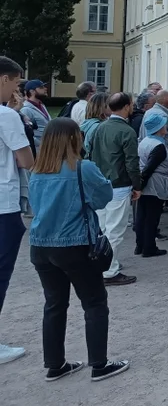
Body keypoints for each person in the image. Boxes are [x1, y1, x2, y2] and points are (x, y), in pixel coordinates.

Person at [27, 118, 130, 381]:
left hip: (41, 244)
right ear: (74, 139)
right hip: (74, 244)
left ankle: (55, 364)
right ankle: (99, 364)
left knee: (54, 304)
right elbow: (102, 198)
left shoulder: (37, 171)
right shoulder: (83, 168)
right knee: (94, 302)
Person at [87, 93, 141, 286]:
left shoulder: (100, 127)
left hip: (100, 182)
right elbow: (132, 162)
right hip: (119, 184)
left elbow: (92, 154)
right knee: (115, 230)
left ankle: (100, 265)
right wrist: (137, 185)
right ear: (127, 106)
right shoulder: (127, 131)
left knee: (101, 227)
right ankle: (109, 271)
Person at [0, 57, 34, 364]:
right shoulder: (7, 117)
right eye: (15, 83)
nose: (15, 90)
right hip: (3, 204)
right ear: (3, 80)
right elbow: (26, 161)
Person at [134, 111, 168, 258]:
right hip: (154, 183)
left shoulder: (144, 141)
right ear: (159, 128)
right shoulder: (159, 146)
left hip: (146, 181)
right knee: (152, 217)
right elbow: (150, 167)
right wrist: (141, 185)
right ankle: (149, 247)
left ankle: (140, 245)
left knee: (142, 215)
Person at [21, 80, 50, 149]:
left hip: (47, 147)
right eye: (41, 87)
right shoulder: (26, 109)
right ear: (32, 91)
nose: (45, 89)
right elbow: (25, 133)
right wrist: (40, 144)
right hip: (38, 149)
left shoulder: (41, 105)